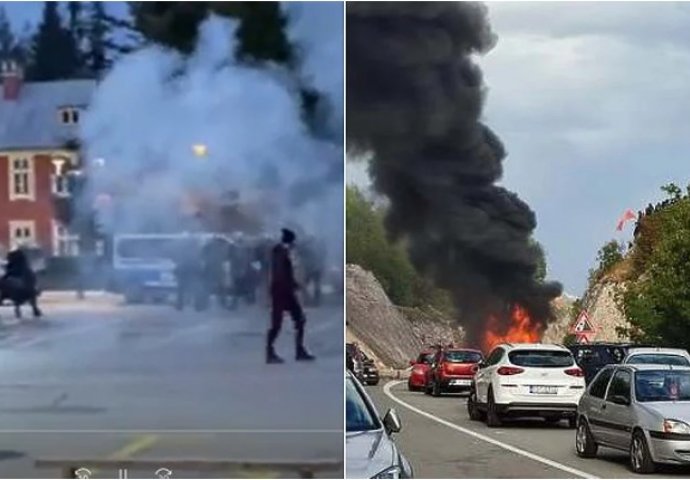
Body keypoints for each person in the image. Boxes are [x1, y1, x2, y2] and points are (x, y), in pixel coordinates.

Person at [266, 228, 315, 364]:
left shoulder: (281, 251)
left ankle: (299, 350)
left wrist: (294, 284)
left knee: (299, 320)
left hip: (284, 291)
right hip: (281, 292)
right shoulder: (279, 252)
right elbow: (280, 274)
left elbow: (285, 273)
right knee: (277, 324)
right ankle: (270, 352)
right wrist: (291, 286)